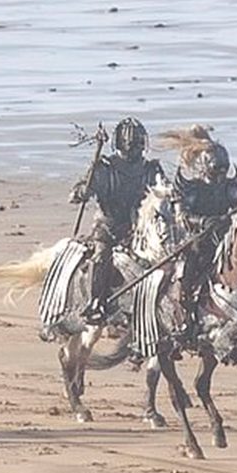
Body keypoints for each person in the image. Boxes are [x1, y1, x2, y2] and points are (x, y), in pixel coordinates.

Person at [160, 125, 237, 341]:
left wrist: (236, 215)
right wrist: (203, 221)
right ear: (204, 167)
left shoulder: (230, 187)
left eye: (222, 169)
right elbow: (182, 216)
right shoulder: (192, 189)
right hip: (198, 240)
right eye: (216, 169)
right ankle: (185, 312)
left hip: (226, 238)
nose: (220, 174)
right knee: (187, 269)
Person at [69, 117, 163, 323]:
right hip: (109, 227)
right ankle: (95, 302)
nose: (135, 150)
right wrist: (83, 191)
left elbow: (163, 193)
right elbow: (77, 193)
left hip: (140, 229)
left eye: (138, 145)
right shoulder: (105, 168)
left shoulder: (151, 170)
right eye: (131, 145)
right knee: (101, 257)